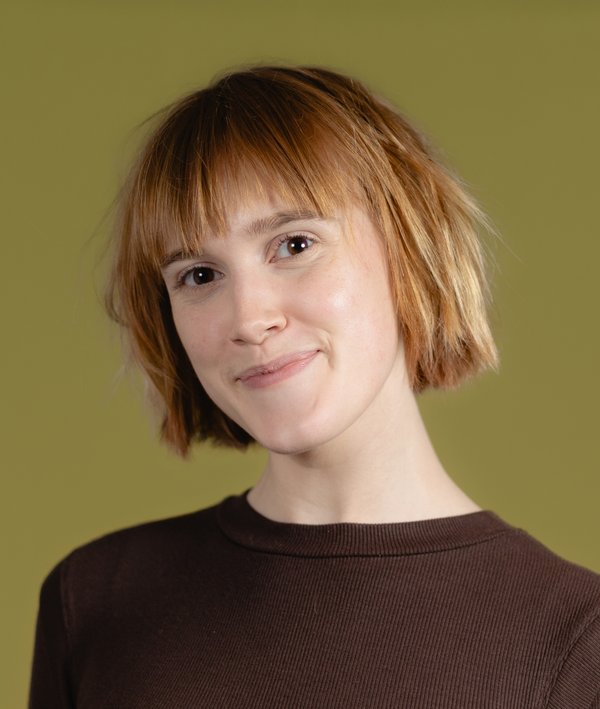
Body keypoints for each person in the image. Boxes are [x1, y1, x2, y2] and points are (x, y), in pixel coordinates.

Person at [29, 65, 600, 708]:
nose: (248, 319)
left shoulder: (574, 641)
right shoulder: (97, 601)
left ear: (407, 245)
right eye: (199, 275)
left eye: (294, 244)